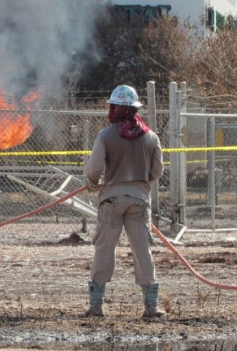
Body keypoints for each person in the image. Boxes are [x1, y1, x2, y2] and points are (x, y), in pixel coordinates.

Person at [83, 85, 165, 318]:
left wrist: (95, 183)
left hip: (111, 200)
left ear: (116, 109)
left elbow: (94, 168)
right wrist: (140, 186)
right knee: (142, 251)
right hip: (139, 201)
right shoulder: (150, 137)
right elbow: (157, 171)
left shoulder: (106, 135)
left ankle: (96, 307)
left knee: (104, 249)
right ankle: (151, 307)